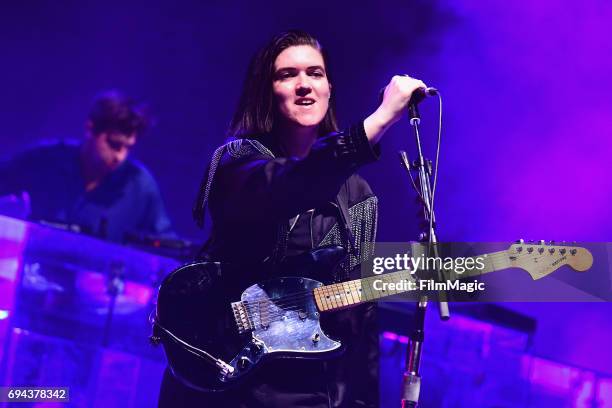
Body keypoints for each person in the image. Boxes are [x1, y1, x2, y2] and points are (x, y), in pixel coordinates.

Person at [159, 30, 426, 407]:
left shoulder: (360, 197)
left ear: (330, 87)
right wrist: (380, 119)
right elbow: (292, 185)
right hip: (227, 383)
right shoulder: (239, 161)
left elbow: (360, 324)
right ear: (267, 90)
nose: (304, 85)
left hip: (308, 394)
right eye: (287, 75)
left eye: (315, 73)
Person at [0, 90, 173, 242]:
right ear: (90, 129)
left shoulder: (140, 185)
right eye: (114, 144)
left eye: (128, 147)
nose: (120, 156)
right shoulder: (44, 161)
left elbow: (165, 244)